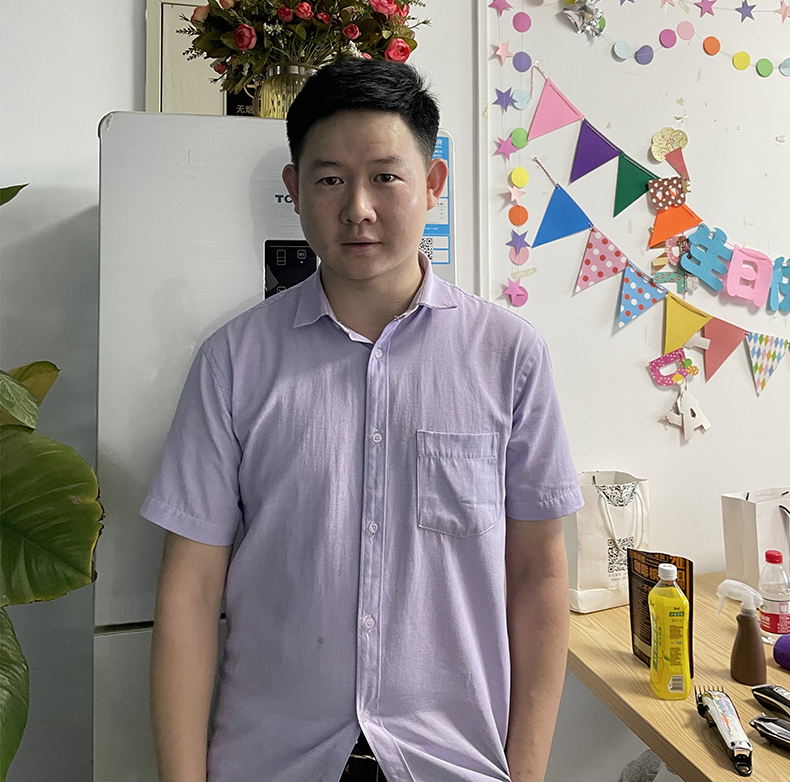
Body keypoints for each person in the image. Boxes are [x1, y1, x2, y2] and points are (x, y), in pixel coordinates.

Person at [141, 56, 584, 782]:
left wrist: (527, 772)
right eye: (329, 180)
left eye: (385, 176)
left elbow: (538, 574)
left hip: (452, 762)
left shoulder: (509, 356)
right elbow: (189, 591)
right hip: (273, 762)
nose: (358, 208)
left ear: (433, 184)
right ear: (294, 190)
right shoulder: (233, 362)